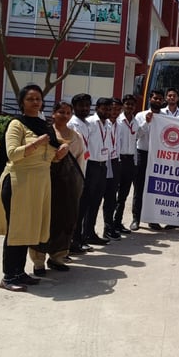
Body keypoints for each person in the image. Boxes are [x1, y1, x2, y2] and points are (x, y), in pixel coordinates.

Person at [0, 85, 69, 291]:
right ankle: (8, 277)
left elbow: (49, 157)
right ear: (22, 102)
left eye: (38, 99)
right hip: (19, 182)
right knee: (16, 229)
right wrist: (35, 143)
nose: (35, 102)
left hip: (39, 184)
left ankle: (19, 272)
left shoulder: (45, 125)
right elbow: (12, 153)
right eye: (30, 99)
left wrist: (59, 154)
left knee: (28, 228)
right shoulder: (16, 124)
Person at [30, 100, 84, 276]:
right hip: (45, 182)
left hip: (67, 185)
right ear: (53, 113)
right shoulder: (44, 133)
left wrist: (78, 184)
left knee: (64, 219)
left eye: (68, 113)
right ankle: (38, 261)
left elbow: (80, 160)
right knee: (42, 220)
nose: (64, 116)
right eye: (61, 112)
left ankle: (57, 258)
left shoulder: (76, 137)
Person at [74, 97, 113, 246]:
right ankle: (78, 237)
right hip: (90, 165)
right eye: (104, 108)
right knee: (85, 202)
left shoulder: (108, 124)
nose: (107, 111)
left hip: (102, 165)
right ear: (97, 108)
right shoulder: (89, 122)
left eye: (109, 109)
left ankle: (90, 233)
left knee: (96, 201)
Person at [131, 89, 164, 230]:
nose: (157, 101)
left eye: (160, 99)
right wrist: (147, 122)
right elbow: (136, 135)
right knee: (139, 187)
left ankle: (152, 219)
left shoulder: (166, 117)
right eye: (155, 98)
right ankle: (136, 219)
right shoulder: (140, 115)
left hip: (158, 156)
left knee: (154, 189)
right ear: (150, 99)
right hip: (142, 153)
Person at [67, 93, 92, 253]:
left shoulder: (86, 123)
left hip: (85, 167)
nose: (85, 108)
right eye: (81, 105)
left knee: (82, 208)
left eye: (87, 105)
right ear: (74, 107)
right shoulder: (72, 125)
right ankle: (70, 243)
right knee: (73, 210)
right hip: (74, 171)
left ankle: (77, 240)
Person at [114, 94, 138, 234]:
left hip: (130, 161)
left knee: (123, 195)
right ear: (123, 105)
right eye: (127, 104)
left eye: (132, 105)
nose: (130, 107)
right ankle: (110, 224)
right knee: (113, 194)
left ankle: (118, 222)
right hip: (119, 160)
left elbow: (138, 138)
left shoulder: (136, 122)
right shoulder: (117, 121)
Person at [101, 98, 123, 241]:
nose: (115, 112)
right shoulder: (103, 124)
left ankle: (108, 227)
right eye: (113, 109)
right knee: (96, 197)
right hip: (103, 160)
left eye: (118, 110)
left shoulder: (119, 125)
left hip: (115, 161)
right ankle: (86, 231)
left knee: (111, 197)